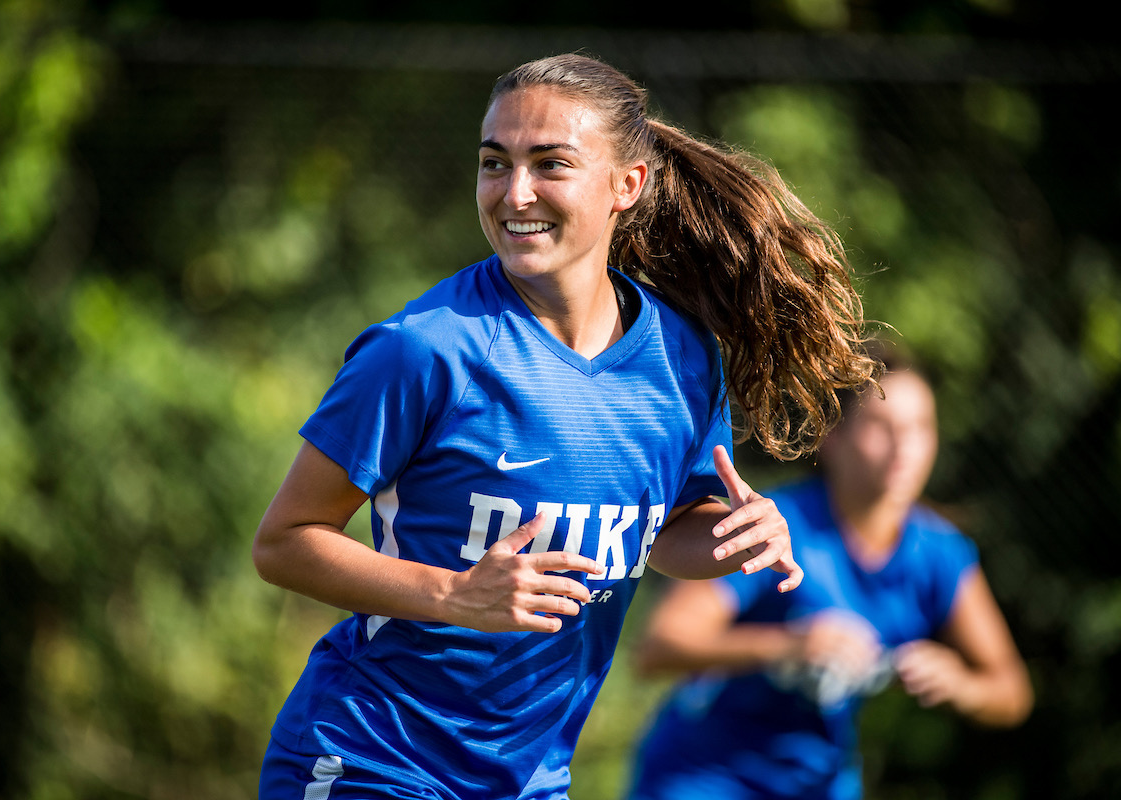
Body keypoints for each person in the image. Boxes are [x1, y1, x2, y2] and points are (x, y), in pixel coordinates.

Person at [252, 52, 878, 800]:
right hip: (374, 760)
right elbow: (284, 543)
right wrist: (454, 595)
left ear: (626, 185)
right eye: (495, 163)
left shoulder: (681, 358)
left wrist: (735, 535)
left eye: (550, 164)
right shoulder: (424, 350)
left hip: (532, 780)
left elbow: (664, 532)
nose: (515, 193)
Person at [625, 341, 1033, 800]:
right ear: (832, 437)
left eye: (921, 427)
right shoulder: (779, 527)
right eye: (882, 426)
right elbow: (658, 647)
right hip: (706, 775)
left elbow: (1011, 692)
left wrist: (959, 683)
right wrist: (790, 645)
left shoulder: (940, 553)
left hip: (820, 780)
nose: (905, 447)